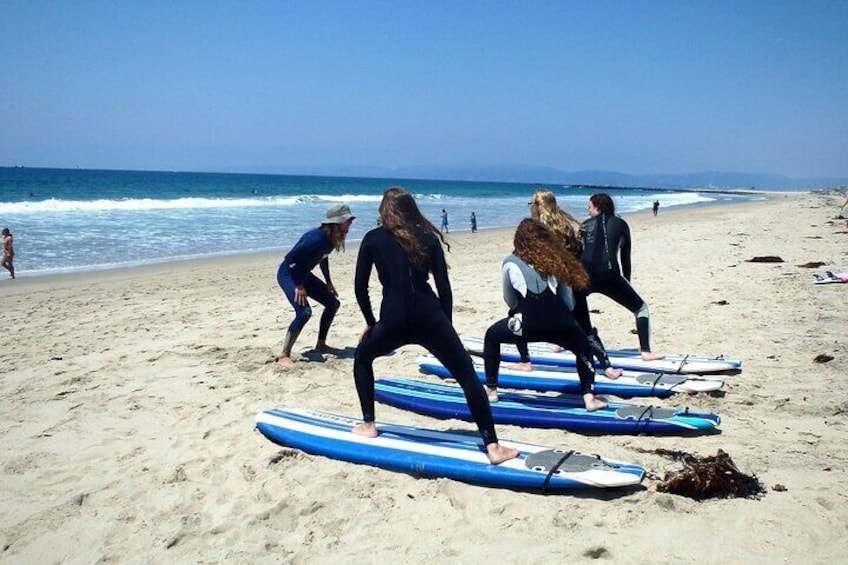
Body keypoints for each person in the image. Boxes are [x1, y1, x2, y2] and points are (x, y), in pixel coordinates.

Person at [352, 187, 518, 464]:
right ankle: (492, 446)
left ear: (383, 211)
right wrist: (447, 327)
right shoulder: (428, 238)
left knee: (362, 357)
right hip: (430, 318)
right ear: (410, 209)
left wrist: (371, 323)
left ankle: (369, 424)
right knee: (467, 378)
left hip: (392, 319)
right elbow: (444, 288)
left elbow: (360, 288)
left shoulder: (371, 239)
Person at [482, 219, 618, 412]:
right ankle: (589, 397)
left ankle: (492, 391)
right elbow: (569, 302)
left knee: (492, 336)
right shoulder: (555, 260)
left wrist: (520, 314)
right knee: (584, 349)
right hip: (560, 323)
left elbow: (510, 300)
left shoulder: (509, 263)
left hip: (526, 324)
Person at [516, 190, 616, 373]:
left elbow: (543, 260)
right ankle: (607, 367)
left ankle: (525, 361)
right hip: (575, 279)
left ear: (539, 206)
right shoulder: (564, 224)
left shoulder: (539, 229)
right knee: (585, 326)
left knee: (518, 313)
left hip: (558, 284)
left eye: (532, 204)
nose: (530, 207)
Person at [578, 193, 663, 361]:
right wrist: (626, 283)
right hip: (610, 275)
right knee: (641, 309)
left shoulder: (584, 226)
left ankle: (558, 345)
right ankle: (645, 351)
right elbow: (625, 257)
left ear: (597, 207)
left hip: (584, 275)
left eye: (589, 207)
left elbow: (578, 254)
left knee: (570, 307)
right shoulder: (621, 224)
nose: (588, 212)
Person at [275, 204, 355, 368]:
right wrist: (298, 285)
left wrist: (328, 281)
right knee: (304, 312)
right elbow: (290, 259)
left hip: (303, 274)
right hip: (289, 274)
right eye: (347, 221)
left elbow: (322, 257)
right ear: (337, 222)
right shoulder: (315, 238)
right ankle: (284, 355)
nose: (350, 224)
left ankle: (321, 344)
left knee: (333, 304)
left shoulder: (332, 238)